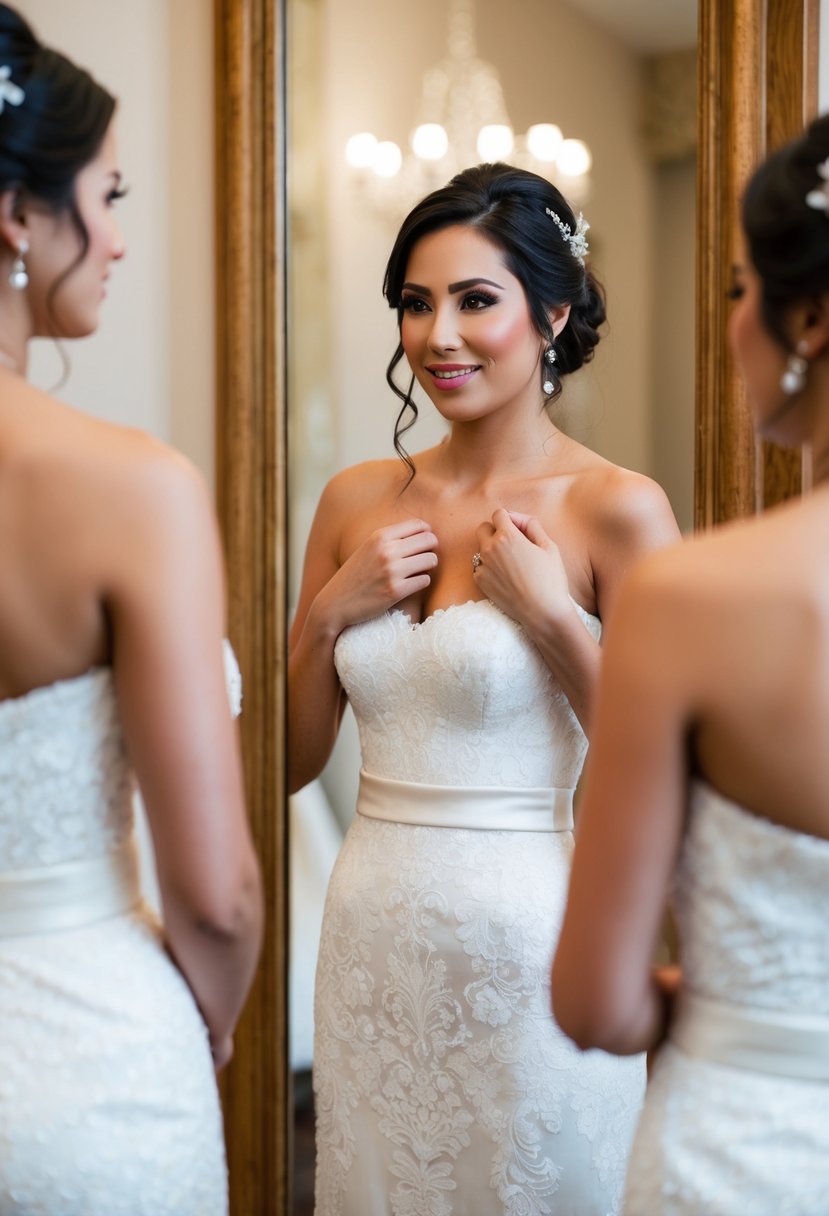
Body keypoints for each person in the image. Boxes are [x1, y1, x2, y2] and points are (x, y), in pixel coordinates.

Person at [289, 161, 679, 1214]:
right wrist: (330, 612)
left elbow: (662, 764)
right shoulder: (353, 501)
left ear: (550, 312)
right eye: (416, 304)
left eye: (474, 301)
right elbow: (282, 763)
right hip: (369, 945)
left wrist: (553, 618)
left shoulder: (617, 510)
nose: (438, 336)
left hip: (531, 950)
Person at [0, 6, 263, 1213]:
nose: (116, 239)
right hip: (85, 1076)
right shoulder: (131, 487)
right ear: (19, 217)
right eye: (105, 197)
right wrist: (201, 1019)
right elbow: (216, 897)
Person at [552, 112, 829, 1215]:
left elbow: (592, 1000)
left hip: (738, 1153)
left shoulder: (687, 598)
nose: (733, 323)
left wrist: (707, 1012)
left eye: (737, 288)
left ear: (807, 316)